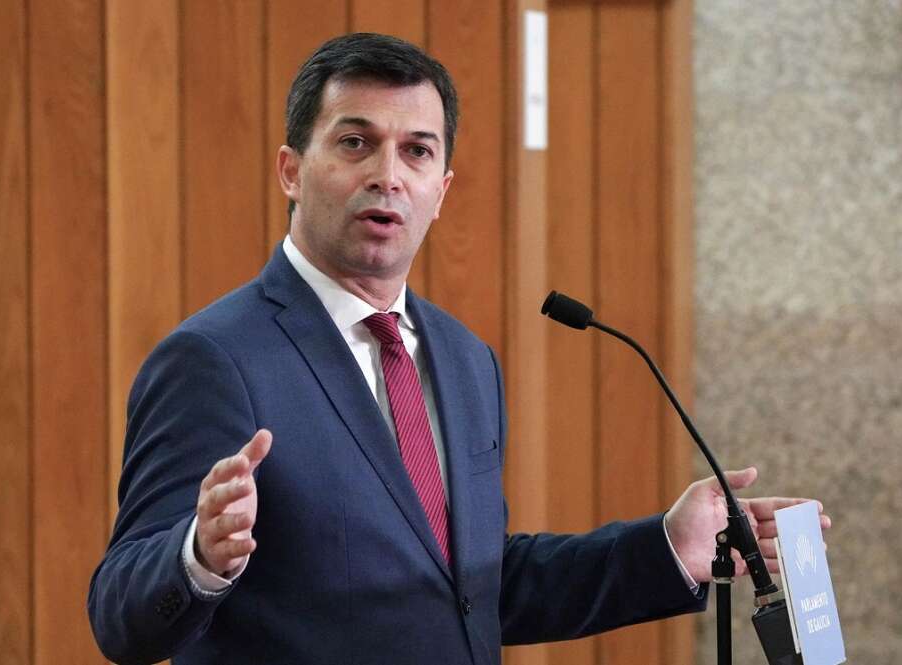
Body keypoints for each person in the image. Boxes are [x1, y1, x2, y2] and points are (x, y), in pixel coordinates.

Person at [88, 33, 829, 665]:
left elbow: (475, 585)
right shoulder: (214, 359)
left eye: (416, 151)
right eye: (355, 142)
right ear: (291, 169)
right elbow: (118, 610)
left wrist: (668, 545)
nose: (387, 174)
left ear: (440, 189)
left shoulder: (464, 358)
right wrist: (198, 557)